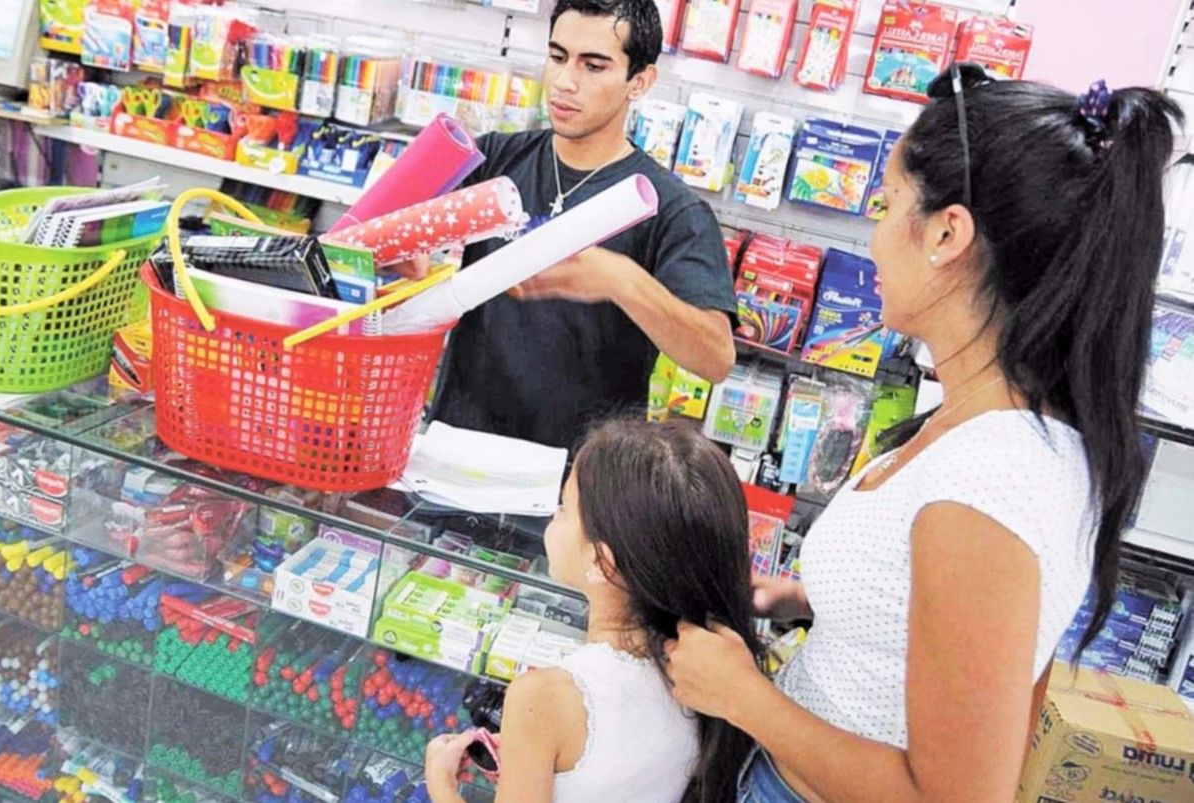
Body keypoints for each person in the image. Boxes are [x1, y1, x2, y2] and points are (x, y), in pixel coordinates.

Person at [662, 66, 1184, 803]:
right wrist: (817, 599)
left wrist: (744, 696)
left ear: (947, 232)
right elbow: (963, 641)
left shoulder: (989, 484)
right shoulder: (996, 424)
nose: (873, 237)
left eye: (886, 204)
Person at [417, 0, 737, 449]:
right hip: (455, 450)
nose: (564, 82)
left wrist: (621, 280)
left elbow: (716, 357)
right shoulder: (493, 159)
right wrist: (403, 258)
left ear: (639, 82)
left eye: (594, 66)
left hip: (579, 478)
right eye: (557, 56)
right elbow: (386, 240)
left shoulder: (672, 209)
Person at [422, 417, 761, 802]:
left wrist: (441, 784)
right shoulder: (712, 672)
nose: (553, 513)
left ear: (602, 563)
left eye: (565, 507)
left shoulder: (543, 698)